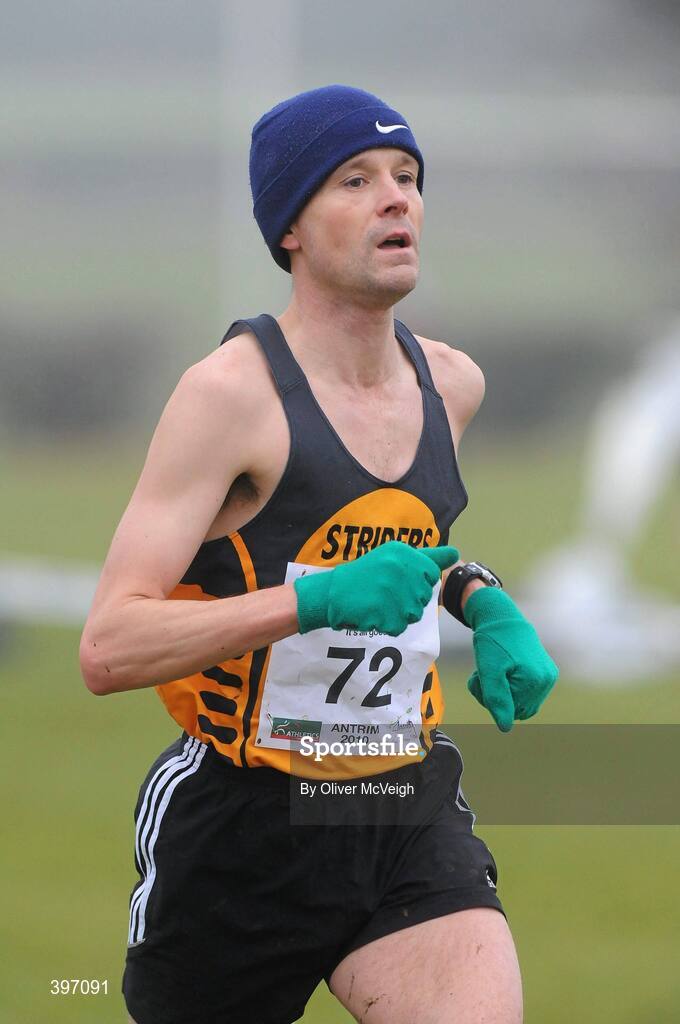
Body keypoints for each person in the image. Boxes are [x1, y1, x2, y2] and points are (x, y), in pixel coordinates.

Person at [80, 84, 558, 1024]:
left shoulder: (450, 385)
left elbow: (402, 547)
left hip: (402, 801)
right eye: (356, 179)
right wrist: (316, 602)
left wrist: (479, 595)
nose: (397, 198)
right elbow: (109, 646)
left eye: (408, 176)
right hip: (243, 827)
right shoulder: (230, 397)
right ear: (290, 227)